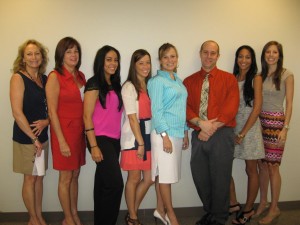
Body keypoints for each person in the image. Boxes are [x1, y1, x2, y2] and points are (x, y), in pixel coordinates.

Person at [183, 40, 239, 225]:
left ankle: (220, 218)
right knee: (201, 177)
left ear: (218, 56)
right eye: (205, 52)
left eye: (213, 53)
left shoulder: (229, 79)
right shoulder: (188, 81)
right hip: (198, 134)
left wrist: (209, 128)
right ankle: (211, 212)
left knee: (221, 178)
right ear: (200, 54)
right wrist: (201, 124)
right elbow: (185, 108)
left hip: (222, 134)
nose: (209, 56)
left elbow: (231, 108)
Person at [46, 37, 86, 225]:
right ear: (61, 55)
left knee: (75, 174)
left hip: (79, 133)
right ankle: (68, 218)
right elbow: (52, 112)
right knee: (66, 177)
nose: (73, 55)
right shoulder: (55, 76)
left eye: (76, 51)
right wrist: (61, 141)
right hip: (64, 133)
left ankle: (74, 213)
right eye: (69, 51)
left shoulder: (81, 76)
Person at [148, 43, 189, 225]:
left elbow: (181, 109)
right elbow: (156, 111)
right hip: (163, 134)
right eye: (165, 57)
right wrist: (165, 136)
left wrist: (185, 131)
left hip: (177, 133)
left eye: (173, 56)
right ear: (160, 60)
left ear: (177, 58)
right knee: (165, 177)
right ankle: (171, 215)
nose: (170, 60)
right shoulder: (156, 82)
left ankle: (160, 209)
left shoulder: (177, 80)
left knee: (163, 175)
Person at [10, 39, 49, 225]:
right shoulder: (18, 78)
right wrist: (34, 139)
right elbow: (17, 113)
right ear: (23, 58)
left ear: (42, 57)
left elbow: (52, 108)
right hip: (27, 138)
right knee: (30, 178)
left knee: (39, 178)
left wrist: (47, 121)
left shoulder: (45, 78)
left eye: (37, 53)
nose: (34, 57)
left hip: (43, 136)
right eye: (29, 54)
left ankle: (39, 215)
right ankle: (33, 219)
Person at [83, 45, 124, 225]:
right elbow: (86, 116)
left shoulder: (115, 84)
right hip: (99, 138)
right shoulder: (93, 83)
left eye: (115, 60)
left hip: (114, 140)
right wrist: (93, 146)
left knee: (103, 184)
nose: (113, 63)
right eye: (109, 59)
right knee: (115, 185)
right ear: (101, 61)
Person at [255, 41, 294, 225]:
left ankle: (274, 208)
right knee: (261, 165)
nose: (271, 55)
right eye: (268, 52)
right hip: (260, 123)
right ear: (264, 55)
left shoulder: (287, 74)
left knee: (273, 167)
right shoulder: (260, 76)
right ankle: (263, 202)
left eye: (275, 52)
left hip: (277, 123)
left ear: (279, 55)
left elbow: (290, 103)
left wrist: (285, 129)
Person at [229, 45, 264, 225]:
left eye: (248, 57)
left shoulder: (256, 78)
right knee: (224, 166)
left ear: (252, 60)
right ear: (236, 59)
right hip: (234, 127)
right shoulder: (233, 78)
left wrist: (243, 133)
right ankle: (234, 203)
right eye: (240, 56)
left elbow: (257, 108)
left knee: (251, 170)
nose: (243, 60)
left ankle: (248, 210)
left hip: (249, 130)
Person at [120, 49, 154, 225]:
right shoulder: (129, 86)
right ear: (134, 65)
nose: (145, 66)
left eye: (147, 62)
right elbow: (132, 117)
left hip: (148, 135)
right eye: (141, 63)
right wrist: (140, 143)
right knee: (134, 178)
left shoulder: (149, 85)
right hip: (135, 138)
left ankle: (131, 211)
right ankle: (133, 217)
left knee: (148, 179)